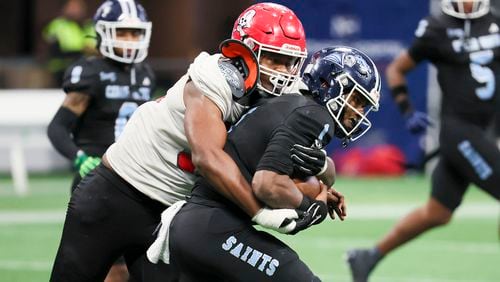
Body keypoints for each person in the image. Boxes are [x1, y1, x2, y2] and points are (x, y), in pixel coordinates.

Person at [50, 3, 327, 281]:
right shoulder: (214, 76)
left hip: (170, 214)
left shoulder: (286, 92)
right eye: (272, 59)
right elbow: (206, 158)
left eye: (290, 62)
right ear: (245, 51)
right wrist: (259, 212)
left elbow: (275, 158)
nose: (283, 71)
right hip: (117, 194)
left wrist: (321, 166)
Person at [159, 46, 381, 282]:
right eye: (356, 100)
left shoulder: (292, 103)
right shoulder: (316, 116)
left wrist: (321, 186)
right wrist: (310, 207)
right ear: (329, 84)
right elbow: (268, 183)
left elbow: (267, 166)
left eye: (363, 106)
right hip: (213, 227)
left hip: (196, 226)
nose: (358, 113)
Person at [346, 1, 500, 281]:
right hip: (459, 133)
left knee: (438, 212)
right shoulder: (437, 27)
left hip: (481, 131)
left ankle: (368, 256)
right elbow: (396, 70)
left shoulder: (495, 22)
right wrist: (407, 110)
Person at [47, 0, 154, 281]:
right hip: (98, 177)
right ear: (104, 32)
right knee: (106, 267)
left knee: (142, 265)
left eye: (135, 33)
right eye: (122, 32)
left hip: (136, 180)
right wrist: (79, 157)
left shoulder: (144, 74)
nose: (130, 40)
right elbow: (57, 128)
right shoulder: (90, 73)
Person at [42, 0, 96, 85]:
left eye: (79, 7)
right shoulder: (57, 25)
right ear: (64, 8)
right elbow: (62, 48)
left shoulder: (90, 25)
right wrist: (86, 49)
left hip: (89, 70)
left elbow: (97, 47)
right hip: (64, 71)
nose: (76, 10)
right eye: (72, 7)